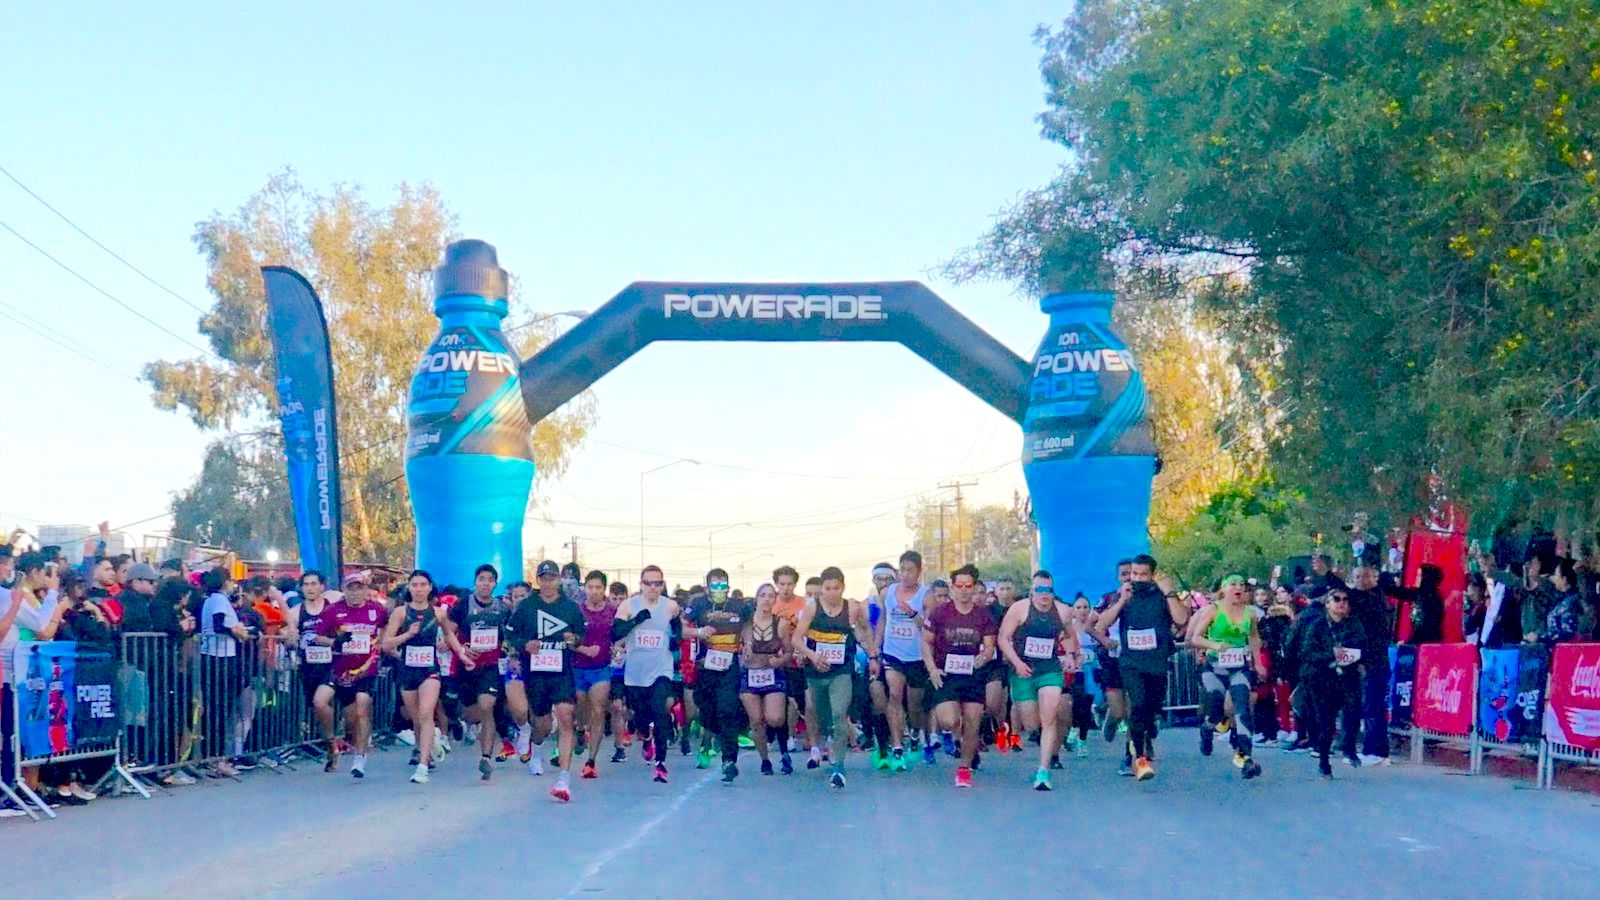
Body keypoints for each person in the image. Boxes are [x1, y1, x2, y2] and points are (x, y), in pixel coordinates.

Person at [1095, 554, 1188, 781]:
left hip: (1156, 662)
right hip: (1131, 662)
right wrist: (1121, 601)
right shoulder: (1123, 595)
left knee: (1151, 707)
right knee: (1136, 705)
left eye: (1142, 574)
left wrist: (1169, 592)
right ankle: (1138, 758)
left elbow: (1181, 620)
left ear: (1152, 575)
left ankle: (1148, 727)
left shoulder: (1162, 594)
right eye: (1134, 574)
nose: (1136, 578)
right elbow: (1102, 623)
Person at [506, 560, 587, 802]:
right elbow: (510, 634)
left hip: (561, 671)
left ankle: (563, 779)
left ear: (558, 580)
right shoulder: (527, 606)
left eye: (552, 578)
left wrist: (574, 640)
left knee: (565, 717)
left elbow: (581, 636)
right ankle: (536, 747)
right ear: (538, 580)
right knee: (541, 723)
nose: (548, 583)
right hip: (536, 672)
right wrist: (525, 644)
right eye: (544, 578)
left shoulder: (570, 607)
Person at [793, 566, 879, 789]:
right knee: (824, 716)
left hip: (841, 671)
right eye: (828, 588)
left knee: (840, 714)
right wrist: (813, 656)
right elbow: (796, 639)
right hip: (816, 672)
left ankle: (839, 768)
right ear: (822, 589)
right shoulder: (812, 608)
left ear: (843, 587)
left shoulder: (852, 608)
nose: (832, 592)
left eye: (836, 588)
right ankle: (831, 735)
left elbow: (866, 630)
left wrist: (872, 656)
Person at [997, 569, 1077, 790]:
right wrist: (1016, 662)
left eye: (1048, 590)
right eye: (1040, 590)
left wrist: (1071, 655)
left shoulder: (1062, 611)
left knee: (1049, 717)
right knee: (1032, 724)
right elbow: (1003, 638)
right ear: (1032, 591)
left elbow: (1069, 635)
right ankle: (1041, 739)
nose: (1044, 595)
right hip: (1023, 670)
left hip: (1049, 670)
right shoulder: (1019, 609)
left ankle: (1043, 771)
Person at [381, 570, 462, 784]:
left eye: (423, 584)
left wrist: (462, 654)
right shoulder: (400, 612)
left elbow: (449, 635)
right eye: (415, 585)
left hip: (430, 670)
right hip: (407, 671)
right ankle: (425, 746)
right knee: (416, 718)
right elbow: (386, 643)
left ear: (429, 587)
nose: (418, 589)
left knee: (426, 714)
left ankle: (423, 766)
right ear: (409, 587)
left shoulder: (438, 613)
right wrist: (408, 634)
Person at [923, 564, 996, 788]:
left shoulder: (983, 615)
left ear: (974, 588)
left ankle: (964, 768)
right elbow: (926, 642)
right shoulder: (940, 613)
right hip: (946, 674)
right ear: (953, 587)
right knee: (950, 720)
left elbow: (989, 646)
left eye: (968, 586)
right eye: (959, 586)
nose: (964, 590)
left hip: (972, 675)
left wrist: (984, 656)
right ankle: (960, 737)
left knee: (973, 721)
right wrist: (932, 669)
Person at [1187, 575, 1265, 780]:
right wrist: (1214, 645)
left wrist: (1258, 663)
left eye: (1241, 585)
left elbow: (1254, 637)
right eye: (1233, 584)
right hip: (1214, 667)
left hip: (1239, 668)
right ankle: (1207, 729)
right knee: (1216, 705)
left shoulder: (1250, 613)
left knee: (1242, 708)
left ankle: (1246, 758)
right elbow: (1195, 638)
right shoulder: (1213, 610)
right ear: (1223, 589)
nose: (1238, 588)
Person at [313, 572, 387, 777]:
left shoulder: (376, 610)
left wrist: (380, 645)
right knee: (320, 701)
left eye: (359, 588)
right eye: (350, 589)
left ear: (365, 590)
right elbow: (318, 637)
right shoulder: (333, 611)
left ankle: (359, 758)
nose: (355, 593)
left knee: (362, 708)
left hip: (366, 668)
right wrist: (336, 642)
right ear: (344, 590)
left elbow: (385, 629)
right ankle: (331, 742)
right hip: (339, 668)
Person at [683, 567, 754, 783]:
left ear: (729, 586)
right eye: (715, 585)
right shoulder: (698, 605)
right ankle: (715, 733)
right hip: (705, 667)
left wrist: (748, 643)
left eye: (723, 585)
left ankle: (729, 760)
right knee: (706, 711)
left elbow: (748, 624)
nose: (720, 589)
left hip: (729, 666)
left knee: (727, 710)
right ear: (707, 587)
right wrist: (698, 632)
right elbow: (680, 628)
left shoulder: (738, 606)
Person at [614, 565, 680, 783]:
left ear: (663, 585)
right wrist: (635, 621)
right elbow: (615, 633)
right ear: (641, 585)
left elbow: (677, 633)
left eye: (658, 583)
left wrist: (675, 633)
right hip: (635, 673)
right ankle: (645, 734)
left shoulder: (670, 606)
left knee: (659, 710)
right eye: (649, 583)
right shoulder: (628, 605)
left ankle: (661, 763)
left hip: (661, 669)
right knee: (640, 716)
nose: (653, 587)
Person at [1294, 587, 1367, 778]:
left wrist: (1358, 657)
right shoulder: (1317, 625)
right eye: (1337, 599)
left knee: (1353, 710)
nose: (1342, 603)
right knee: (1326, 722)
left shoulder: (1354, 624)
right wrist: (1331, 655)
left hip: (1348, 676)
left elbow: (1364, 647)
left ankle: (1349, 747)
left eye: (1345, 599)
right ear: (1327, 604)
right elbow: (1307, 653)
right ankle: (1324, 760)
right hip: (1322, 678)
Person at [450, 564, 511, 780]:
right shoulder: (462, 605)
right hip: (466, 665)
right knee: (470, 712)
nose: (486, 583)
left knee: (487, 707)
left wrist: (506, 649)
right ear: (475, 582)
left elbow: (509, 636)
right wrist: (462, 649)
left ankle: (486, 757)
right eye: (482, 579)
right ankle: (464, 723)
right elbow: (448, 631)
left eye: (490, 580)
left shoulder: (502, 608)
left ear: (495, 584)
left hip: (490, 666)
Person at [877, 551, 932, 770]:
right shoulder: (888, 593)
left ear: (919, 571)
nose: (906, 574)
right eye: (902, 570)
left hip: (916, 656)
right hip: (893, 653)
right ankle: (898, 745)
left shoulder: (926, 595)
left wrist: (913, 614)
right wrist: (876, 648)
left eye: (910, 570)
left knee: (915, 704)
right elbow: (882, 621)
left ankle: (916, 732)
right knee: (895, 695)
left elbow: (929, 628)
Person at [739, 583, 792, 775]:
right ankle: (765, 760)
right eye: (763, 595)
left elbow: (789, 652)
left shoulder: (781, 624)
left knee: (775, 718)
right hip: (750, 674)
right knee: (756, 720)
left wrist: (779, 661)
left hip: (772, 674)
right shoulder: (745, 624)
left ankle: (784, 752)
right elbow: (736, 647)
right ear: (757, 598)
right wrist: (743, 654)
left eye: (771, 596)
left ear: (775, 599)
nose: (767, 599)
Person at [1088, 559, 1134, 774]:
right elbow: (1090, 625)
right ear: (1118, 577)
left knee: (1135, 708)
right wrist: (1105, 641)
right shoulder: (1108, 598)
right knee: (1119, 710)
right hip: (1112, 659)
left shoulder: (1146, 598)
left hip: (1136, 659)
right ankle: (1112, 717)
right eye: (1124, 574)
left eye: (1132, 573)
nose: (1129, 577)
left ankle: (1131, 754)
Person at [1345, 565, 1394, 765]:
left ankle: (1377, 751)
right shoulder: (1361, 600)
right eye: (1357, 577)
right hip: (1365, 661)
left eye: (1365, 577)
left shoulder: (1375, 600)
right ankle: (1370, 749)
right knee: (1368, 706)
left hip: (1375, 661)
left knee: (1374, 706)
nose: (1360, 581)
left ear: (1375, 578)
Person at [572, 570, 617, 779]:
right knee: (580, 704)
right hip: (577, 666)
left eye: (598, 587)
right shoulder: (576, 611)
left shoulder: (613, 611)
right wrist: (584, 649)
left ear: (604, 589)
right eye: (590, 587)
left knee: (598, 710)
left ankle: (591, 761)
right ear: (585, 588)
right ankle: (581, 729)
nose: (594, 591)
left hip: (601, 668)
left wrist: (618, 647)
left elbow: (621, 634)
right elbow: (566, 638)